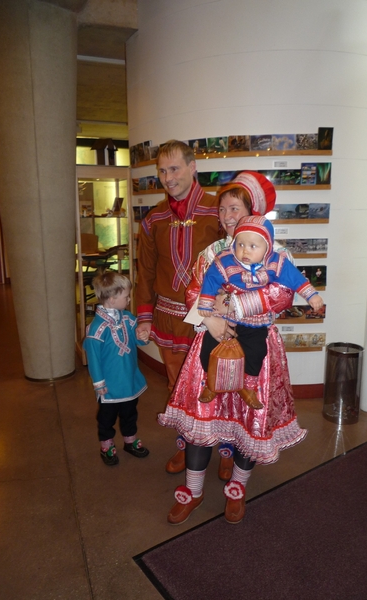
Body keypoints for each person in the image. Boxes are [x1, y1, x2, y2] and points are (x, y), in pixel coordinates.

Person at [158, 171, 308, 525]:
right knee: (201, 415)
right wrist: (209, 319)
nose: (227, 216)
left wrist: (235, 307)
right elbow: (194, 292)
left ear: (252, 211)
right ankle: (193, 492)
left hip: (258, 347)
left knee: (250, 417)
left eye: (235, 209)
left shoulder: (277, 253)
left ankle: (237, 491)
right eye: (222, 208)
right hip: (212, 341)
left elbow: (283, 295)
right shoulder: (212, 252)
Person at [135, 139, 226, 475]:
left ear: (193, 167)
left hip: (211, 320)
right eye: (161, 170)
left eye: (174, 168)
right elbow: (144, 270)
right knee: (178, 390)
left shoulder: (219, 210)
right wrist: (144, 316)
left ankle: (226, 451)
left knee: (218, 386)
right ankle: (188, 447)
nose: (167, 177)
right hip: (168, 320)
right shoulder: (153, 218)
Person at [197, 215, 324, 408]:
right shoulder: (224, 260)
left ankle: (248, 386)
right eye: (240, 244)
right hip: (225, 317)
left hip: (255, 320)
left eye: (252, 246)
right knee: (208, 347)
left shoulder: (277, 262)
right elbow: (211, 279)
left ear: (268, 247)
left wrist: (312, 296)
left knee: (256, 351)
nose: (244, 251)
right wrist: (206, 303)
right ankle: (212, 382)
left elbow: (295, 279)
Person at [83, 270, 150, 466]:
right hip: (109, 385)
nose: (129, 299)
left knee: (130, 412)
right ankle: (106, 444)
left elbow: (137, 338)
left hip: (129, 379)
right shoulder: (96, 329)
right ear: (112, 299)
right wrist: (99, 383)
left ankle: (130, 440)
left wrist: (142, 337)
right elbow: (93, 359)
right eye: (126, 296)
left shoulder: (127, 318)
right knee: (107, 417)